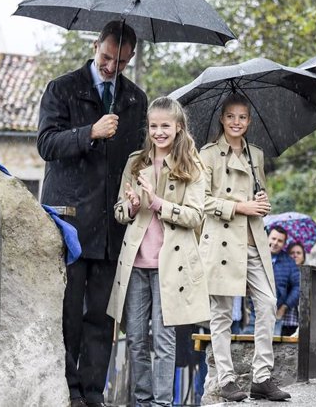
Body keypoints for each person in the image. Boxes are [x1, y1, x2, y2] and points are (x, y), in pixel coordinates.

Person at [37, 21, 147, 407]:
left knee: (101, 317)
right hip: (68, 220)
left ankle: (93, 393)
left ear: (130, 57)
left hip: (112, 224)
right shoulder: (62, 88)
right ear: (95, 45)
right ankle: (67, 391)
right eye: (105, 57)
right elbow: (46, 144)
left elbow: (138, 159)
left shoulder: (135, 99)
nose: (110, 67)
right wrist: (91, 132)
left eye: (119, 61)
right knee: (67, 313)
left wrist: (136, 192)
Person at [107, 96, 209, 407]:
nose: (159, 132)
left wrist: (157, 204)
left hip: (171, 265)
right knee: (136, 339)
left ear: (178, 128)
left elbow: (196, 216)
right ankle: (143, 400)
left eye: (165, 125)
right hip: (136, 264)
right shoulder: (135, 162)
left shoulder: (192, 165)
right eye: (153, 126)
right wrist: (133, 205)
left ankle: (163, 403)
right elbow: (120, 212)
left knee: (165, 341)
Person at [199, 93, 290, 402]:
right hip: (223, 242)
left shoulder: (256, 154)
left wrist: (261, 204)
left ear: (249, 122)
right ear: (222, 119)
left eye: (242, 117)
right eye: (231, 117)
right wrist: (242, 206)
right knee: (222, 312)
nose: (236, 122)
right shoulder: (208, 155)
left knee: (267, 303)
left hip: (253, 241)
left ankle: (262, 376)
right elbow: (201, 200)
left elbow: (259, 196)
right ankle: (225, 378)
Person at [268, 227, 300, 337]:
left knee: (273, 347)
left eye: (280, 241)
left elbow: (298, 286)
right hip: (252, 313)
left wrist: (284, 307)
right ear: (267, 238)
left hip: (275, 314)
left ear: (284, 244)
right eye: (273, 238)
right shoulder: (254, 256)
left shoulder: (289, 262)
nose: (275, 243)